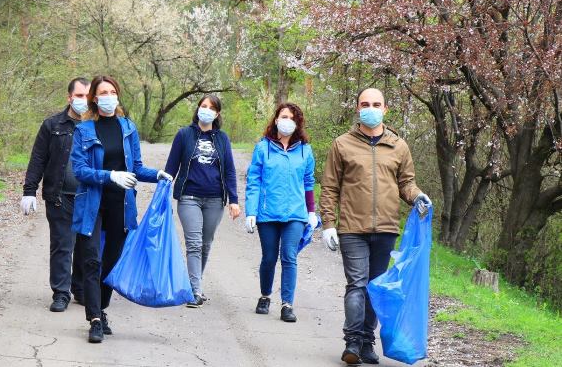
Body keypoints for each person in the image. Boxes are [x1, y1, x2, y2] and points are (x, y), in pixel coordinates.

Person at [319, 87, 432, 365]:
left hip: (386, 227)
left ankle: (368, 342)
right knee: (356, 284)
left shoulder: (398, 146)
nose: (370, 108)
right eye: (365, 103)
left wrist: (418, 196)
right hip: (351, 227)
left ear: (385, 109)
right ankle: (353, 342)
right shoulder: (342, 144)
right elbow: (330, 187)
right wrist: (328, 223)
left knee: (374, 286)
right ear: (357, 108)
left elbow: (406, 183)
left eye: (376, 104)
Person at [70, 75, 173, 343]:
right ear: (94, 97)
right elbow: (80, 171)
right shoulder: (83, 131)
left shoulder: (127, 127)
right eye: (103, 92)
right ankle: (93, 319)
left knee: (111, 262)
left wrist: (158, 174)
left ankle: (101, 310)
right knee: (91, 260)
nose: (108, 96)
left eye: (113, 91)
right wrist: (110, 176)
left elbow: (136, 168)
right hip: (93, 204)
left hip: (121, 204)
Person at [20, 77, 91, 312]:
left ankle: (80, 289)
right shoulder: (53, 125)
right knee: (62, 245)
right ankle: (61, 292)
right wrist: (29, 191)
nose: (83, 100)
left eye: (87, 96)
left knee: (86, 245)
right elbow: (38, 158)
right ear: (69, 97)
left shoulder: (97, 126)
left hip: (89, 196)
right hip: (60, 195)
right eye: (79, 96)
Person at [164, 95, 240, 307]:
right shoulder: (184, 135)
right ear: (198, 109)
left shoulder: (222, 138)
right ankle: (195, 290)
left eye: (211, 108)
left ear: (217, 114)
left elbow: (230, 171)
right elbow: (171, 167)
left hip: (215, 199)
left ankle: (193, 284)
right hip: (189, 198)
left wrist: (234, 199)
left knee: (205, 245)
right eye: (203, 106)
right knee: (194, 244)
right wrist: (162, 192)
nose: (206, 110)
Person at [244, 102, 316, 323]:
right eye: (284, 116)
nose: (287, 121)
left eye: (292, 118)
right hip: (267, 213)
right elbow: (254, 180)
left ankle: (287, 304)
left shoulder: (305, 149)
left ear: (298, 123)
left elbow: (308, 181)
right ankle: (265, 296)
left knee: (289, 256)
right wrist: (251, 211)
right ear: (276, 120)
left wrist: (311, 211)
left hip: (295, 213)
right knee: (269, 257)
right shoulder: (263, 147)